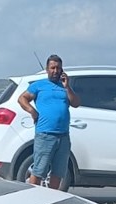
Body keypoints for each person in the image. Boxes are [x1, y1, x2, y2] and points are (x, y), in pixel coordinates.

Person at [17, 54, 79, 188]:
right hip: (45, 135)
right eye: (53, 68)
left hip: (63, 136)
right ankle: (33, 198)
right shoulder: (39, 86)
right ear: (47, 69)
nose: (55, 71)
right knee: (39, 171)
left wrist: (67, 86)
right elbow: (22, 99)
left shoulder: (64, 87)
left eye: (58, 68)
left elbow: (76, 103)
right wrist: (32, 112)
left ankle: (52, 201)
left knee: (58, 172)